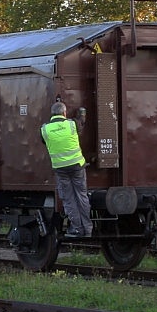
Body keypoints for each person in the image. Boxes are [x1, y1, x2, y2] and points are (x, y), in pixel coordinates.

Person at [40, 101, 92, 237]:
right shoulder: (72, 124)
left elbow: (43, 140)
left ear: (52, 114)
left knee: (69, 199)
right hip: (77, 167)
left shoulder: (45, 129)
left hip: (61, 170)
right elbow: (81, 122)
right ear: (64, 113)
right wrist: (82, 113)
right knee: (82, 196)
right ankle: (88, 229)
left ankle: (77, 229)